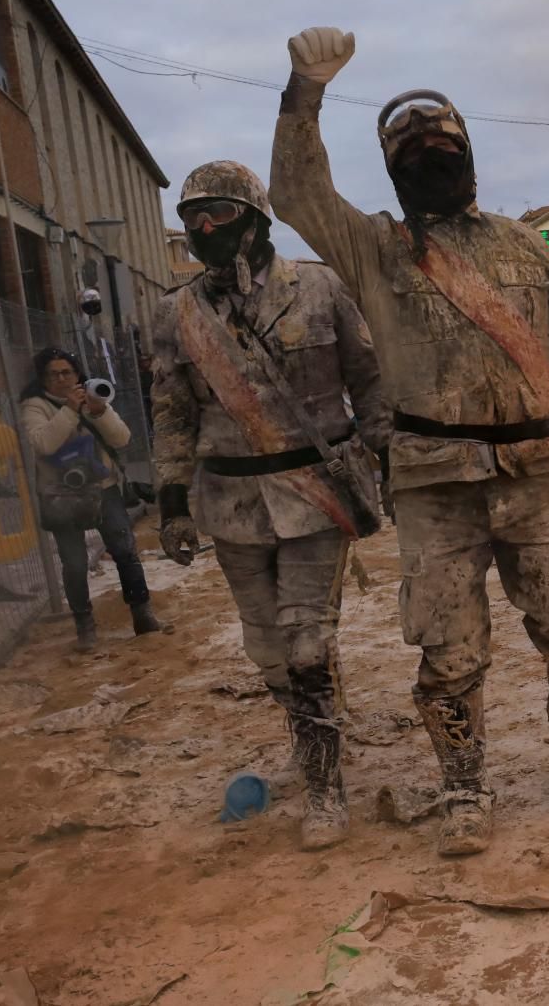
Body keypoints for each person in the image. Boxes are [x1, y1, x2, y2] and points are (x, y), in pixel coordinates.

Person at [271, 26, 549, 857]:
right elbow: (297, 195)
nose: (427, 162)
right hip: (432, 485)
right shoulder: (373, 248)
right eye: (411, 155)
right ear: (393, 173)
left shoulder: (523, 246)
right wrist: (305, 91)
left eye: (440, 147)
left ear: (466, 154)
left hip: (534, 474)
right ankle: (463, 785)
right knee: (447, 652)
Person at [151, 161, 388, 851]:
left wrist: (391, 458)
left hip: (315, 495)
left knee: (307, 638)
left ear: (255, 219)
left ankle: (325, 784)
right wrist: (171, 501)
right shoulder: (175, 313)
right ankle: (311, 730)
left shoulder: (319, 290)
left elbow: (369, 381)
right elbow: (170, 411)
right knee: (266, 649)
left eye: (218, 213)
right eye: (192, 216)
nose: (201, 227)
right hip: (231, 503)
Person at [21, 347, 162, 650]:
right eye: (53, 374)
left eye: (67, 372)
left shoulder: (92, 396)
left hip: (104, 487)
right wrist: (70, 410)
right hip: (60, 494)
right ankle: (84, 624)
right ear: (43, 378)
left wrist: (99, 411)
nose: (61, 379)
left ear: (77, 374)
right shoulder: (35, 406)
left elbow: (122, 439)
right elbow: (44, 444)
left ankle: (143, 613)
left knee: (124, 549)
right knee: (74, 563)